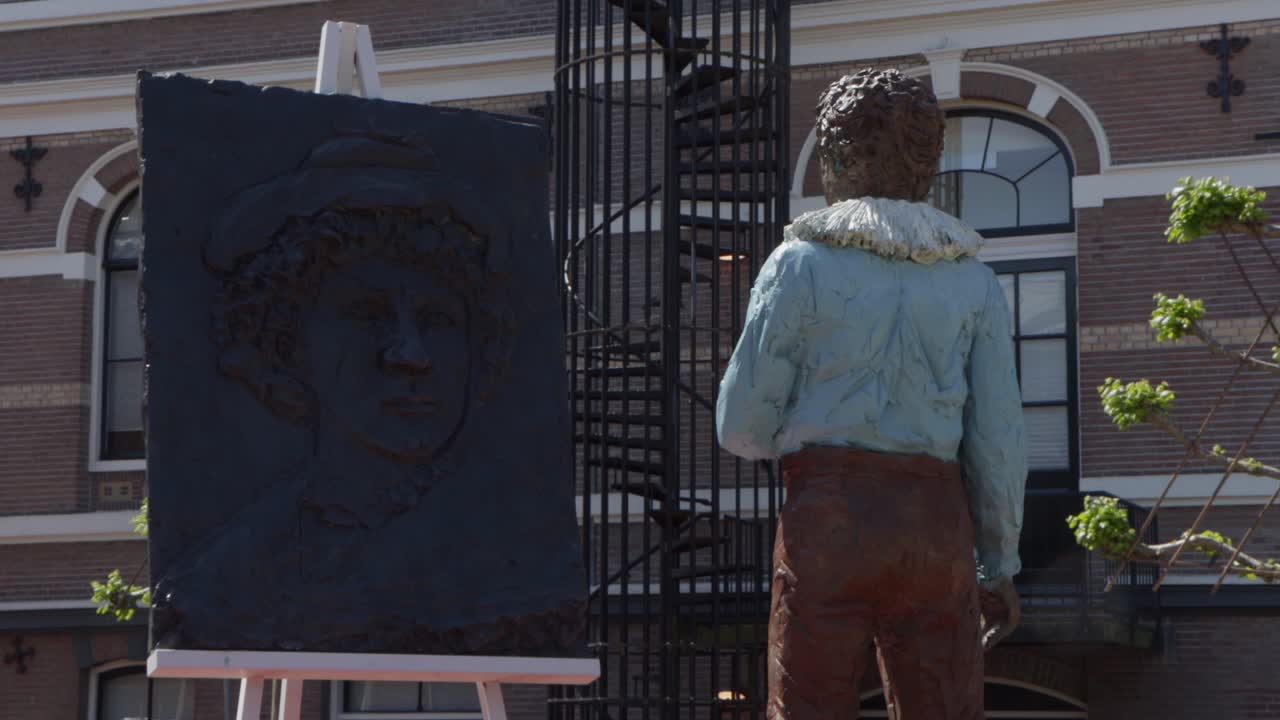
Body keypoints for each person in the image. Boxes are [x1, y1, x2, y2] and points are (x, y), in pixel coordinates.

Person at [715, 68, 1027, 720]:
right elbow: (998, 440)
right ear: (929, 160)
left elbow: (740, 425)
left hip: (828, 520)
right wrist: (997, 561)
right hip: (937, 528)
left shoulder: (798, 265)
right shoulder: (974, 282)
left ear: (835, 157)